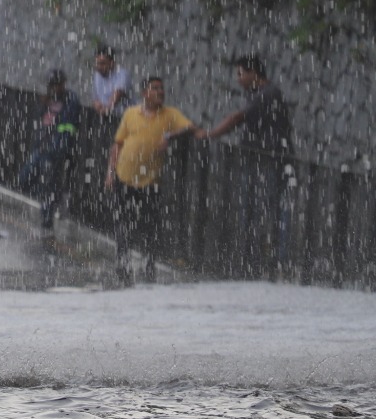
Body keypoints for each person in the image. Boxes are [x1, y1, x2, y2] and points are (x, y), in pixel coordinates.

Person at [198, 55, 294, 276]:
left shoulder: (268, 94)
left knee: (271, 210)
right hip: (261, 160)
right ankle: (255, 257)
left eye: (240, 74)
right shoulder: (258, 94)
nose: (238, 79)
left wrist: (211, 134)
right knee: (258, 208)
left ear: (255, 74)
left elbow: (236, 118)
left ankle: (272, 261)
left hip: (272, 161)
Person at [106, 77, 198, 284]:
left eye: (162, 89)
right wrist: (110, 172)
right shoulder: (131, 113)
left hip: (150, 181)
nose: (160, 92)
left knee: (150, 226)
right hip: (124, 176)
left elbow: (190, 127)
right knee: (122, 223)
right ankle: (123, 263)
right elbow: (117, 144)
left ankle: (148, 265)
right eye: (155, 89)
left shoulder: (170, 115)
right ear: (144, 93)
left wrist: (169, 137)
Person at [18, 69, 82, 237]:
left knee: (49, 187)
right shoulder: (47, 100)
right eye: (50, 85)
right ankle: (53, 200)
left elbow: (68, 129)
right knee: (25, 179)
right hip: (40, 147)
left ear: (62, 85)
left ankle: (47, 222)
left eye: (56, 85)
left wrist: (57, 150)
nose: (53, 88)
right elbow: (41, 120)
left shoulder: (70, 100)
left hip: (55, 151)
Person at [91, 46, 132, 116]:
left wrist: (105, 110)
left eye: (102, 63)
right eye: (97, 63)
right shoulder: (97, 75)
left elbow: (115, 99)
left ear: (112, 63)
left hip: (123, 117)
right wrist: (97, 105)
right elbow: (95, 99)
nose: (99, 67)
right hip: (106, 116)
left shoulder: (122, 75)